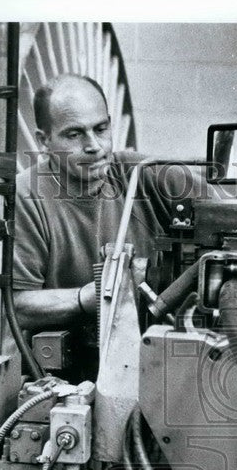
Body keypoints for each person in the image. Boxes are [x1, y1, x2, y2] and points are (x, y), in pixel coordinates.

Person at [12, 73, 184, 340]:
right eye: (74, 134)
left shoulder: (144, 174)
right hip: (68, 359)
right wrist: (89, 297)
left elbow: (229, 211)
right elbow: (18, 306)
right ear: (44, 141)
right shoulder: (26, 196)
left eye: (101, 129)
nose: (94, 146)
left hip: (151, 346)